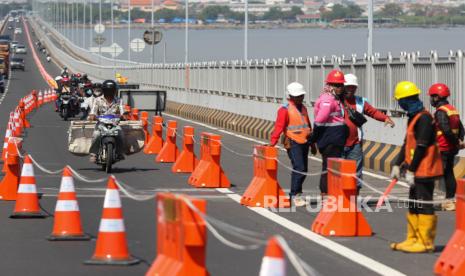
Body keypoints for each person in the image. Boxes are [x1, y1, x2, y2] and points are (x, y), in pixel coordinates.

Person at [390, 81, 443, 253]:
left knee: (424, 203)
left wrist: (411, 169)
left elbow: (422, 145)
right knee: (413, 203)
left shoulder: (425, 118)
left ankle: (425, 242)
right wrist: (397, 164)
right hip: (415, 168)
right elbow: (407, 144)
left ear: (405, 100)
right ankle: (412, 239)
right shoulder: (413, 117)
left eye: (400, 101)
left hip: (425, 169)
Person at [342, 74, 395, 192]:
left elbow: (373, 112)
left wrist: (385, 118)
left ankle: (354, 197)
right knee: (339, 173)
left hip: (355, 143)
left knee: (356, 173)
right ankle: (338, 197)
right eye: (348, 87)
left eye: (353, 87)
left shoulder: (360, 101)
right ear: (342, 86)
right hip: (338, 143)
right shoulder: (335, 100)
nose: (350, 89)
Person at [270, 82, 316, 206]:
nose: (300, 98)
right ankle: (294, 195)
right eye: (297, 96)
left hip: (305, 141)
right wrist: (272, 142)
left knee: (303, 169)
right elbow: (279, 127)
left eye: (301, 95)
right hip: (293, 142)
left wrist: (312, 144)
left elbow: (308, 125)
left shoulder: (304, 108)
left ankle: (297, 194)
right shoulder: (284, 110)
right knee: (299, 167)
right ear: (289, 96)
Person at [428, 83, 465, 211]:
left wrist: (455, 142)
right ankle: (450, 200)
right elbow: (461, 128)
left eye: (432, 97)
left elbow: (446, 130)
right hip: (451, 149)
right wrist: (460, 140)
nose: (431, 99)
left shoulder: (440, 112)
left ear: (437, 97)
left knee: (433, 173)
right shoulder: (451, 109)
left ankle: (427, 201)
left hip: (443, 148)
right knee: (448, 173)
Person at [311, 69, 348, 197]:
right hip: (330, 140)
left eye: (341, 85)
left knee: (331, 166)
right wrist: (314, 137)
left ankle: (330, 192)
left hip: (335, 139)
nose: (340, 88)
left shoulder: (334, 98)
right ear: (330, 86)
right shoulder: (328, 99)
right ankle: (326, 192)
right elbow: (320, 119)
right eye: (337, 85)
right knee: (328, 167)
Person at [88, 80, 127, 163]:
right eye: (108, 90)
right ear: (104, 91)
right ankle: (93, 154)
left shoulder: (119, 100)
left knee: (121, 134)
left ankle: (120, 152)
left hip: (115, 124)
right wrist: (92, 115)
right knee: (96, 135)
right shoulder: (97, 100)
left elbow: (122, 110)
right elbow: (93, 110)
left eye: (112, 90)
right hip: (101, 123)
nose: (110, 92)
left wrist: (124, 115)